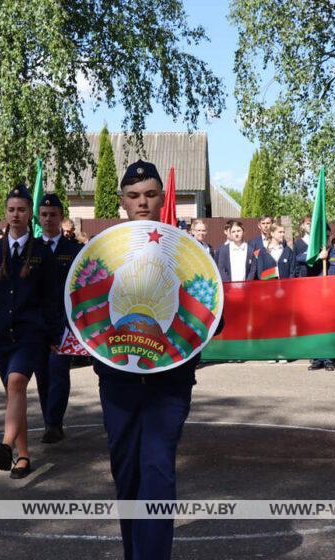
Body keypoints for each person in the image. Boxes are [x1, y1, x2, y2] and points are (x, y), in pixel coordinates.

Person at [95, 160, 221, 560]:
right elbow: (86, 315)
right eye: (134, 196)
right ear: (122, 202)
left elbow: (214, 319)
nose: (142, 203)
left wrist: (187, 333)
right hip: (118, 382)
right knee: (127, 474)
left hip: (169, 383)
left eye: (150, 195)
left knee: (158, 472)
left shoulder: (190, 254)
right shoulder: (103, 253)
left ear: (162, 199)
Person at [0, 184, 61, 479]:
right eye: (11, 209)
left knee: (16, 383)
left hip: (31, 333)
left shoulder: (42, 251)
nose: (16, 214)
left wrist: (55, 335)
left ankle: (5, 444)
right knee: (13, 394)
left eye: (22, 210)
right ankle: (24, 456)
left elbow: (51, 296)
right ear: (6, 212)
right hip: (2, 333)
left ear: (31, 214)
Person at [36, 193, 83, 444]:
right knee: (42, 375)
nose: (48, 219)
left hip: (63, 324)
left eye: (53, 214)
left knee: (58, 372)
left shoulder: (73, 250)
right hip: (37, 324)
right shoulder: (31, 249)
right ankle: (48, 420)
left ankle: (54, 423)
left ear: (61, 217)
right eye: (44, 215)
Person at [306, 224, 335, 371]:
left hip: (331, 297)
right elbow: (301, 263)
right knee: (316, 327)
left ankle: (328, 358)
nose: (325, 240)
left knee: (329, 327)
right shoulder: (311, 255)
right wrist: (318, 257)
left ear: (330, 237)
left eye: (327, 236)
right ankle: (317, 358)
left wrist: (334, 285)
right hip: (315, 297)